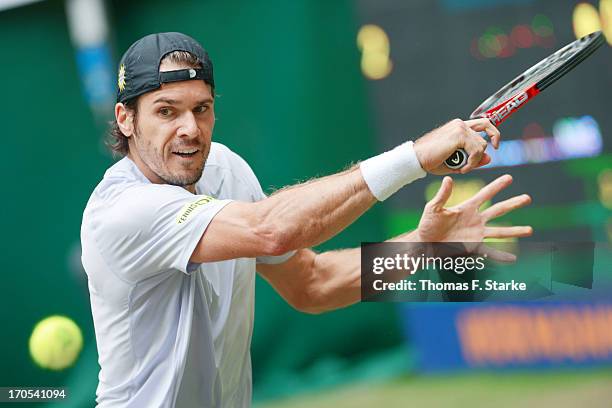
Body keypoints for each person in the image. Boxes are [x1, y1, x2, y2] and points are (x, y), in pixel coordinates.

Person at [80, 32, 532, 407]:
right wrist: (414, 158)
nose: (190, 129)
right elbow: (272, 231)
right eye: (166, 111)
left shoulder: (224, 169)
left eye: (201, 108)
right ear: (126, 120)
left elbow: (312, 285)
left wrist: (420, 245)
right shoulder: (122, 211)